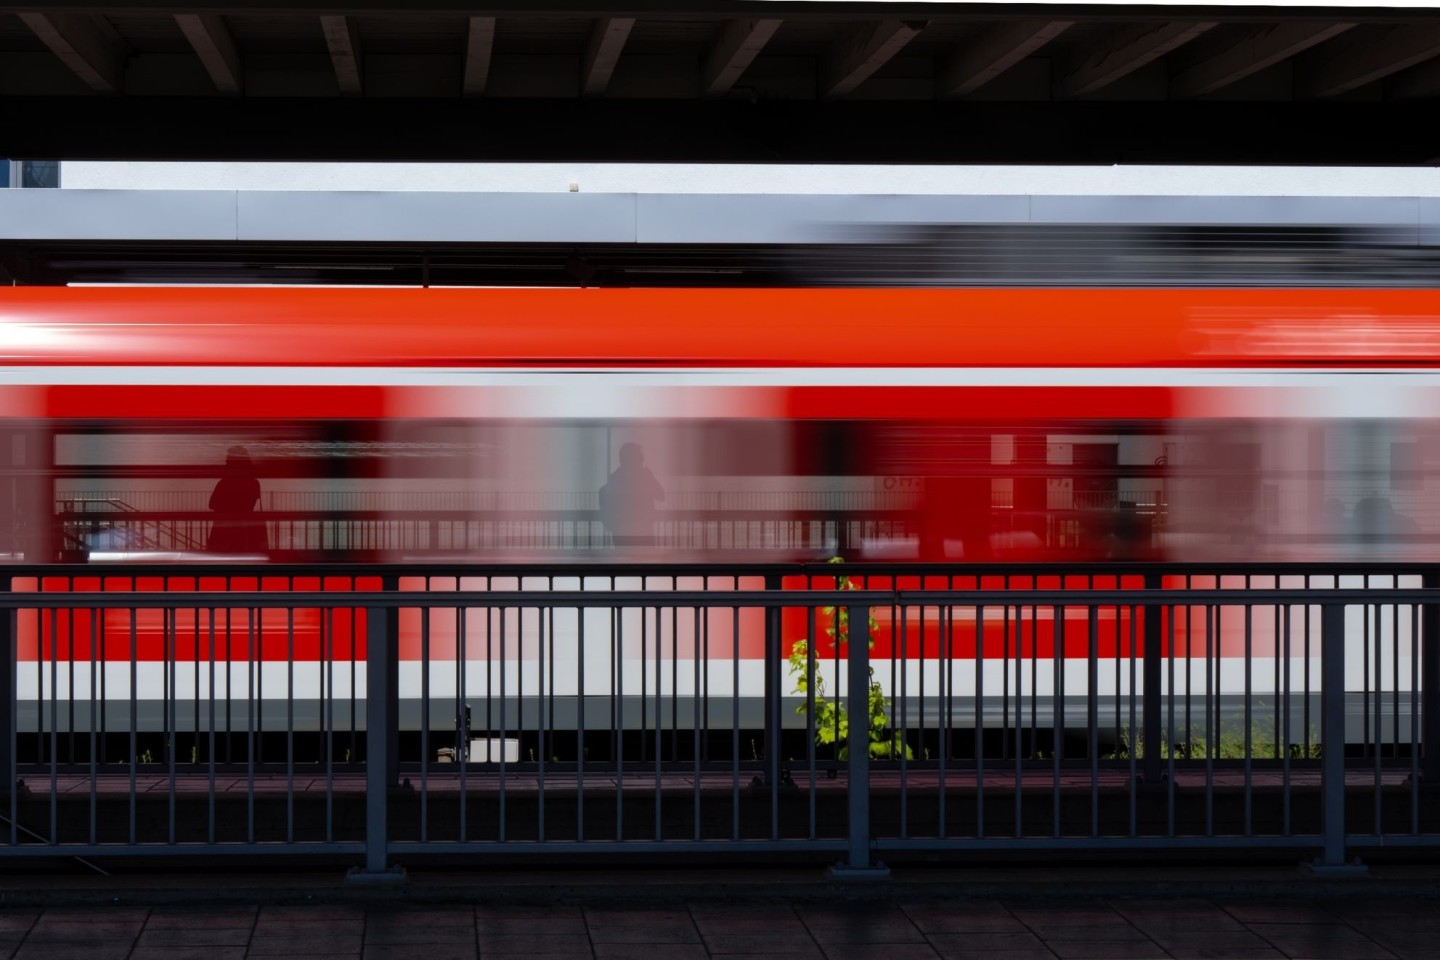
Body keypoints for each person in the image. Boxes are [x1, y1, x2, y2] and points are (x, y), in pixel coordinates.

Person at [598, 442, 665, 547]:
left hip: (622, 532)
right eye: (639, 457)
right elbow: (661, 495)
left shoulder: (615, 477)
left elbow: (603, 493)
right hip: (644, 531)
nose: (642, 460)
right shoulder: (644, 476)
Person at [207, 445, 268, 555]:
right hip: (246, 533)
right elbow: (251, 504)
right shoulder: (254, 483)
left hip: (225, 533)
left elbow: (212, 504)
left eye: (228, 458)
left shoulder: (223, 483)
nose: (226, 460)